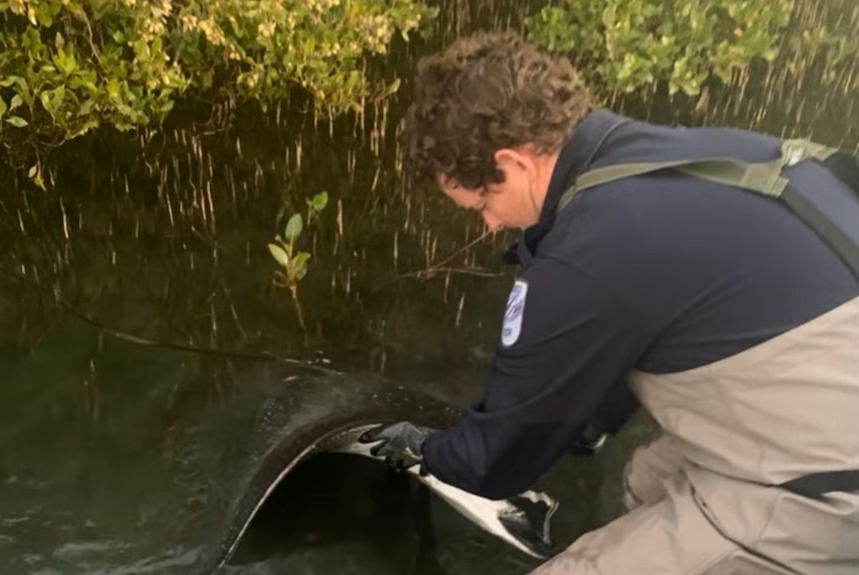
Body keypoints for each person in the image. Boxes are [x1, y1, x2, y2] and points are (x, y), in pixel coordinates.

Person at [360, 30, 859, 574]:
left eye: (483, 200)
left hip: (829, 485)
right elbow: (670, 302)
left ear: (516, 163)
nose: (491, 223)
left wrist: (427, 450)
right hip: (826, 395)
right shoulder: (672, 155)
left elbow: (494, 463)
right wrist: (591, 417)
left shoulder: (583, 257)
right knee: (647, 478)